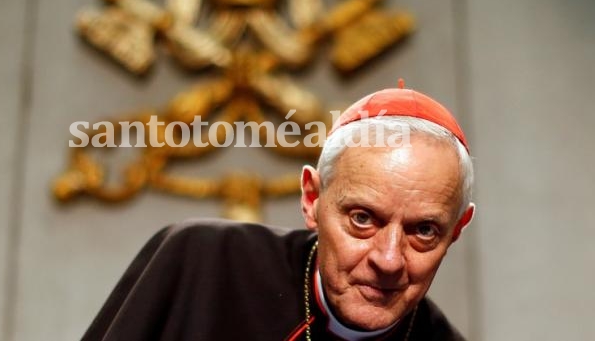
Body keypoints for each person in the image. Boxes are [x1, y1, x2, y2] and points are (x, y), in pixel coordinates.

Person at [82, 83, 476, 341]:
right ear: (311, 199)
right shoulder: (201, 261)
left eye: (423, 231)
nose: (388, 260)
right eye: (362, 219)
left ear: (456, 230)